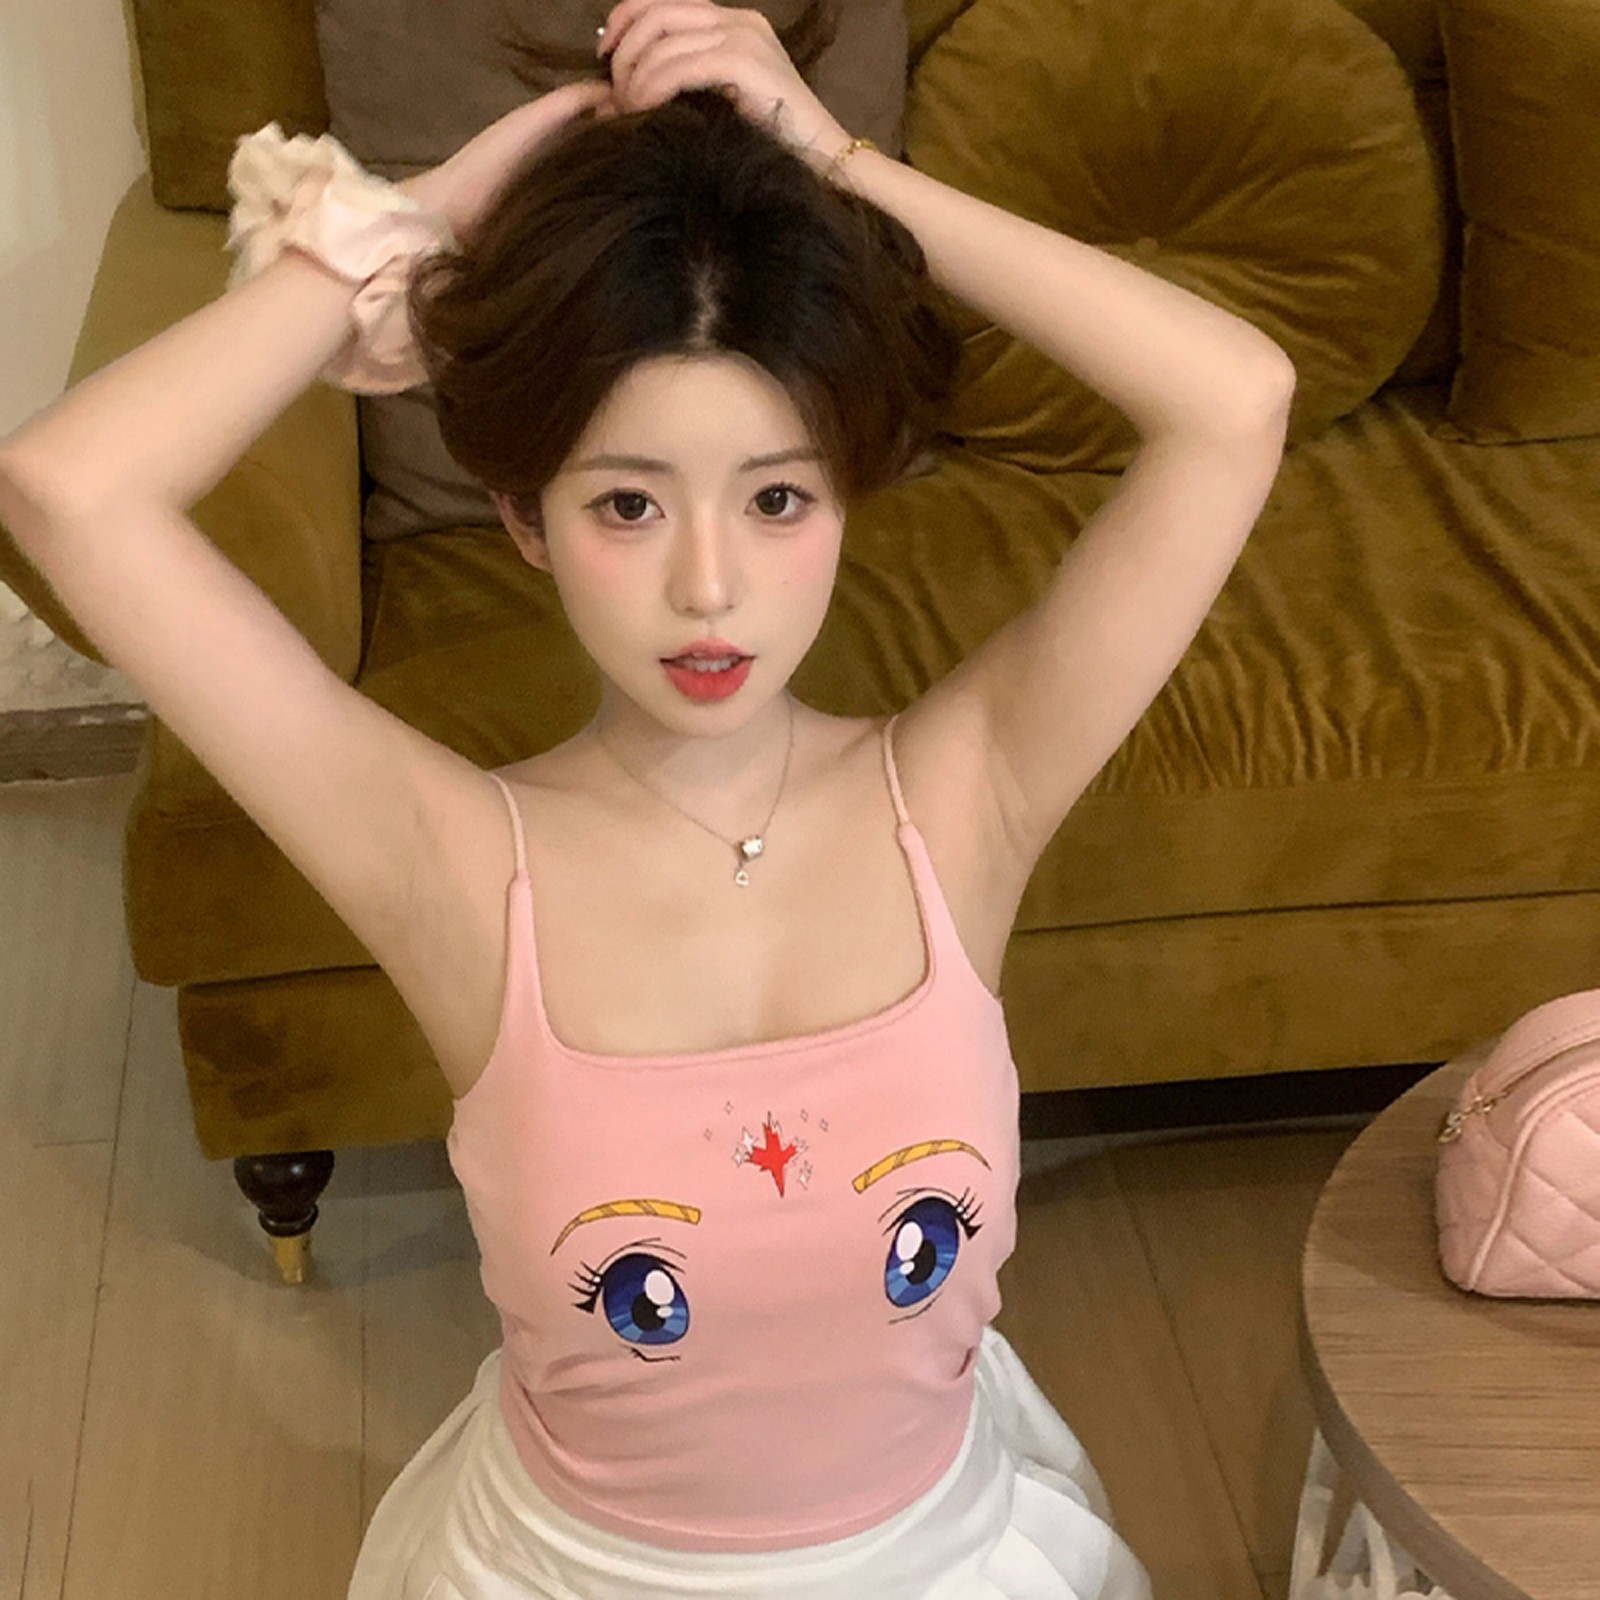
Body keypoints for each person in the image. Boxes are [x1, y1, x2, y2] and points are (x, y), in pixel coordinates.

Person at [0, 1, 1296, 1593]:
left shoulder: (969, 794)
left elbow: (1234, 400)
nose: (709, 588)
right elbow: (68, 493)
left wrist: (832, 161)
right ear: (523, 517)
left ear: (845, 498)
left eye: (777, 498)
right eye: (627, 504)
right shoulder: (448, 862)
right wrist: (429, 213)